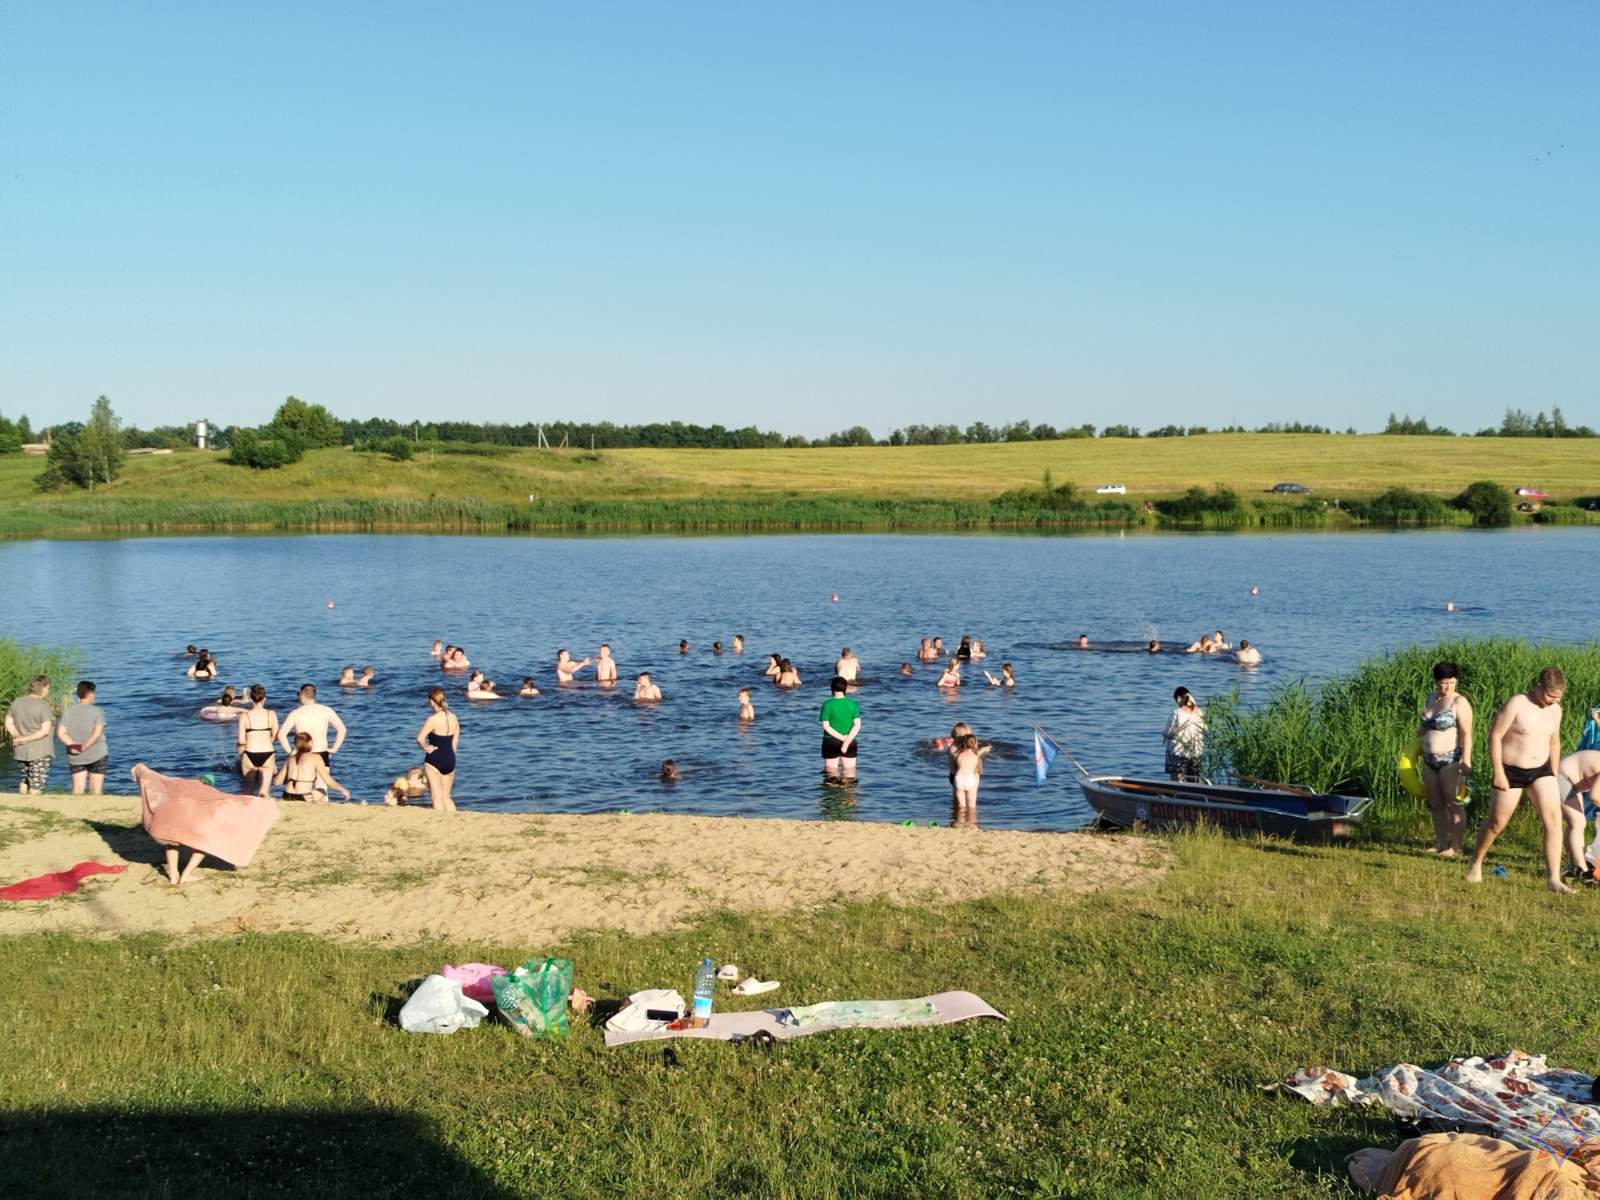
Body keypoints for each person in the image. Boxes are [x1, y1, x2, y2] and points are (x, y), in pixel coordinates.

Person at [1466, 667, 1570, 891]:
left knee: (1554, 821)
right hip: (1511, 770)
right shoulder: (1517, 704)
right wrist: (1498, 772)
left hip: (1541, 770)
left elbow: (1554, 741)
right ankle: (1475, 863)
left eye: (1557, 697)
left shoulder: (1556, 710)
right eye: (1550, 696)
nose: (1552, 701)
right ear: (1538, 686)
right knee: (1496, 823)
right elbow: (1494, 736)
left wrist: (1553, 771)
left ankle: (1553, 879)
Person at [1418, 661, 1474, 857]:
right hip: (1428, 759)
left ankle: (1456, 846)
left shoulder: (1459, 702)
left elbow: (1467, 734)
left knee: (1453, 803)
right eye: (1443, 683)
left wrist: (1466, 761)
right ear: (1435, 682)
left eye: (1451, 682)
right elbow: (1423, 728)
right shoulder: (1430, 697)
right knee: (1435, 803)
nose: (1447, 687)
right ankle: (1440, 842)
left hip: (1450, 759)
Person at [56, 680, 107, 796]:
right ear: (89, 694)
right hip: (97, 753)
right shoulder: (98, 711)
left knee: (77, 789)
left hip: (75, 754)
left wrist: (73, 745)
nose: (94, 696)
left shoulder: (67, 711)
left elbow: (61, 733)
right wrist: (83, 747)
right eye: (93, 693)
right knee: (96, 789)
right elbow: (97, 733)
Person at [5, 675, 54, 795]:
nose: (48, 691)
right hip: (39, 750)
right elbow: (45, 731)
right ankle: (34, 807)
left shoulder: (17, 702)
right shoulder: (43, 705)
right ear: (43, 688)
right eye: (48, 688)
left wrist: (17, 737)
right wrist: (25, 738)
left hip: (20, 749)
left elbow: (8, 722)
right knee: (36, 784)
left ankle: (22, 803)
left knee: (24, 779)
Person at [1556, 749, 1600, 879]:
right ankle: (1583, 870)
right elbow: (1595, 796)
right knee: (1577, 822)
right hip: (1562, 776)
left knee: (1575, 824)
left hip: (1571, 783)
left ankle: (1575, 866)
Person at [278, 684, 347, 765]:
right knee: (323, 777)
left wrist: (290, 752)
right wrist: (334, 749)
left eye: (298, 694)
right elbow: (342, 729)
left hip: (302, 754)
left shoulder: (296, 713)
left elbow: (281, 735)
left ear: (302, 695)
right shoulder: (326, 710)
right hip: (321, 752)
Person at [275, 730, 350, 803]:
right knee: (322, 791)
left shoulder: (290, 759)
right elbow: (328, 781)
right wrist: (343, 790)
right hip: (304, 797)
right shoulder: (315, 757)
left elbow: (277, 782)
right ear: (310, 743)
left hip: (287, 795)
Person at [417, 686, 459, 812]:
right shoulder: (454, 717)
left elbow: (419, 738)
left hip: (435, 758)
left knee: (436, 798)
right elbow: (454, 742)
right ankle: (454, 819)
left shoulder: (432, 719)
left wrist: (425, 747)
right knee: (446, 797)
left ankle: (441, 822)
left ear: (431, 701)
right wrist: (450, 756)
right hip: (450, 759)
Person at [235, 684, 280, 797]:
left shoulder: (245, 716)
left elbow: (241, 741)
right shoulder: (271, 714)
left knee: (247, 791)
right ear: (264, 698)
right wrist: (267, 740)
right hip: (267, 753)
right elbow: (276, 736)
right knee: (265, 792)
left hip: (250, 753)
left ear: (250, 699)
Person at [820, 675, 861, 780]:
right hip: (850, 740)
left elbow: (826, 726)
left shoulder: (827, 704)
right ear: (845, 688)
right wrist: (846, 741)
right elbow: (857, 724)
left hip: (830, 741)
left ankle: (833, 795)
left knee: (831, 776)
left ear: (832, 689)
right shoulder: (852, 703)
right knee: (849, 775)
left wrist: (841, 738)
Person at [1163, 687, 1205, 782]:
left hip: (1178, 751)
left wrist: (1164, 733)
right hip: (1196, 750)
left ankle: (1175, 794)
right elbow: (1203, 729)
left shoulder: (1177, 713)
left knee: (1176, 779)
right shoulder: (1199, 712)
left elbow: (1169, 733)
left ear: (1178, 698)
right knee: (1194, 779)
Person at [951, 732, 985, 815]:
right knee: (971, 805)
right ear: (975, 743)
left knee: (961, 805)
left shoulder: (957, 754)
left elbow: (955, 769)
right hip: (970, 779)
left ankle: (959, 823)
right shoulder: (976, 754)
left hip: (958, 779)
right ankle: (971, 824)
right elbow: (976, 770)